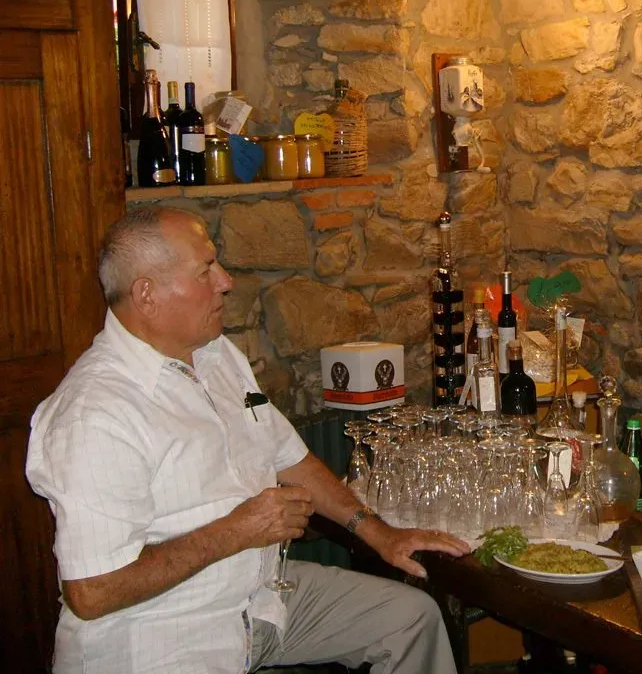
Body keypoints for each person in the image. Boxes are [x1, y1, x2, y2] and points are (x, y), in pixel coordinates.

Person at [26, 205, 469, 674]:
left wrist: (379, 533)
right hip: (160, 640)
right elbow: (92, 592)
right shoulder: (94, 414)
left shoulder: (215, 355)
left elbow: (288, 456)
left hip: (256, 600)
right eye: (205, 270)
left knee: (410, 618)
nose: (225, 281)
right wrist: (237, 530)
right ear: (147, 295)